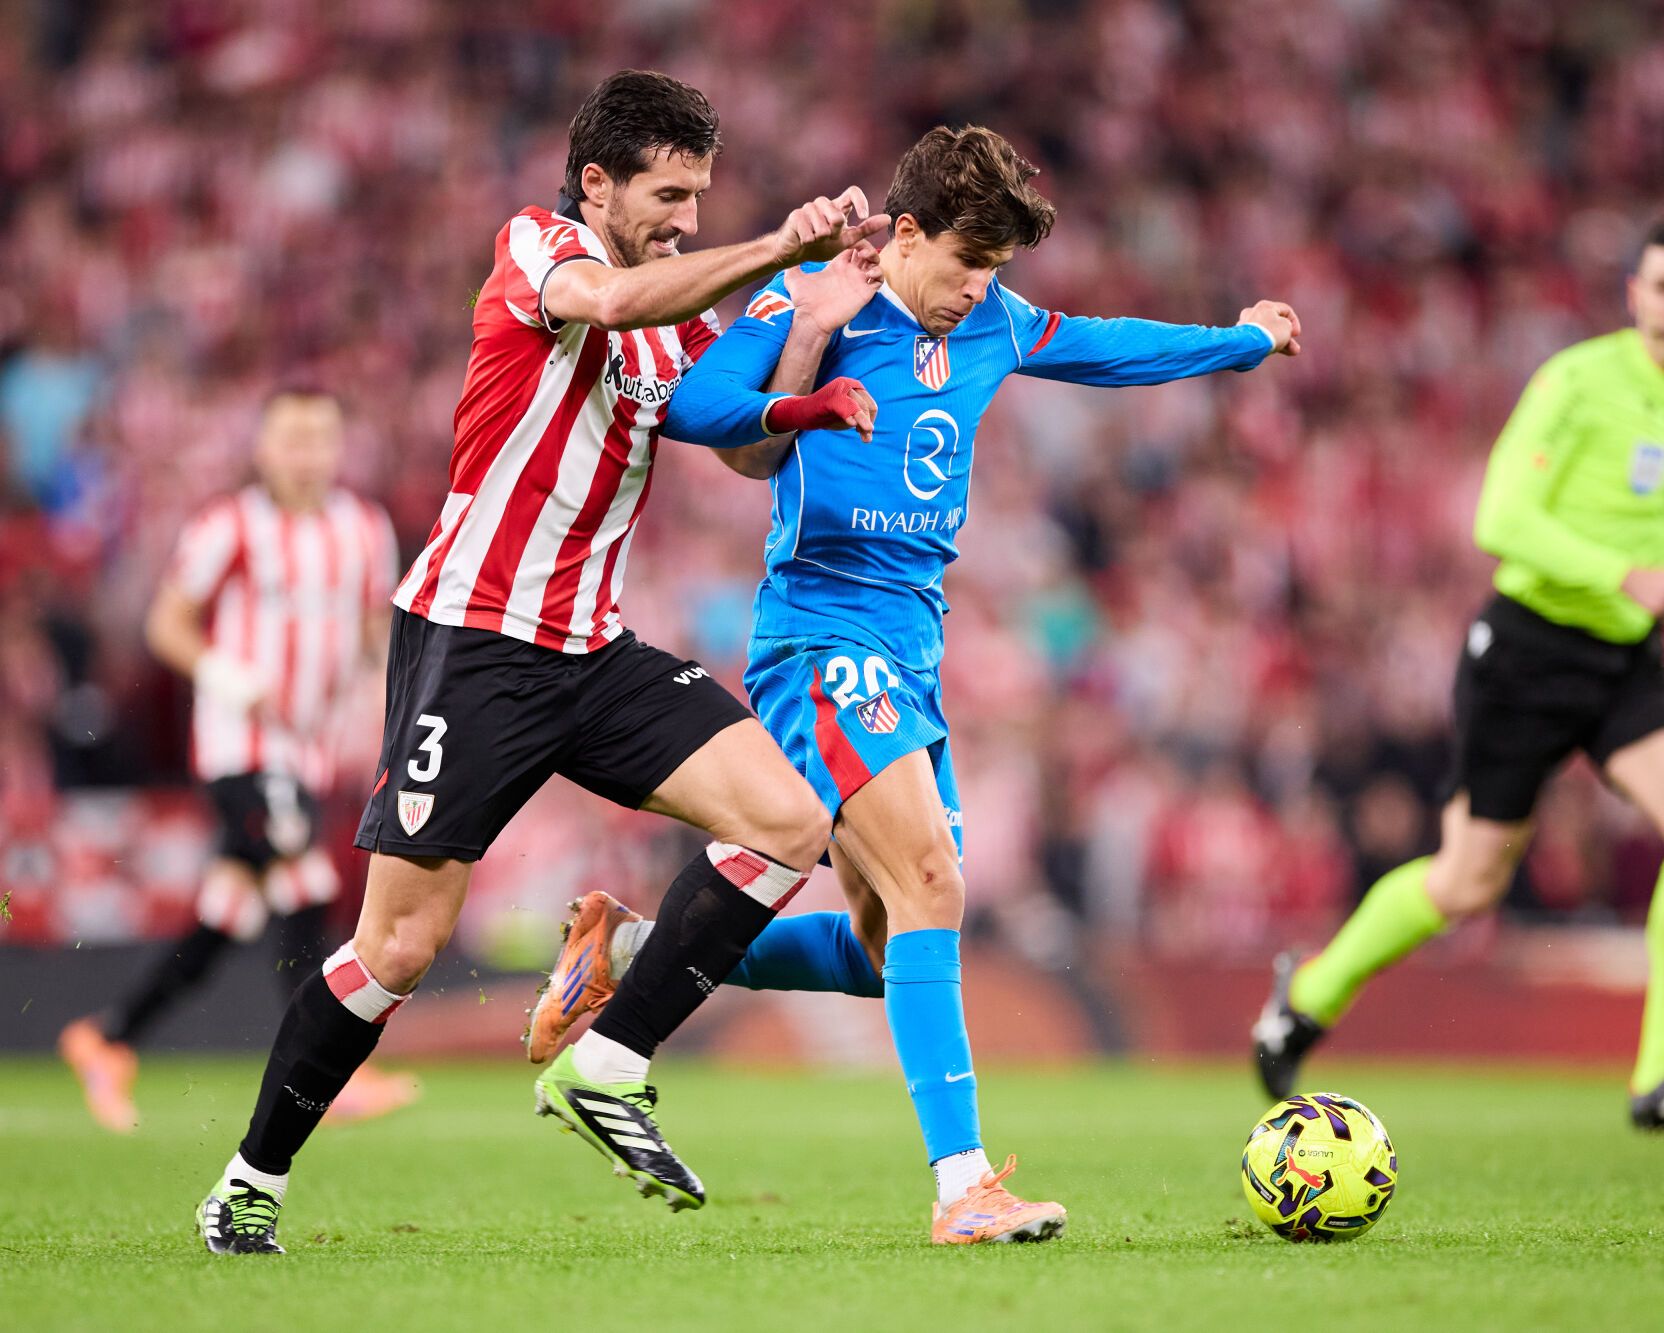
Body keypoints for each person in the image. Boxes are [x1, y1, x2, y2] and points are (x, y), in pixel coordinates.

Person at [526, 124, 1302, 1244]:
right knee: (933, 883)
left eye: (994, 272)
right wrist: (806, 351)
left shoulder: (988, 318)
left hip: (913, 648)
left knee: (885, 943)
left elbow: (1101, 347)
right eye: (963, 264)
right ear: (901, 235)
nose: (976, 293)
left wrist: (1234, 343)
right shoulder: (813, 293)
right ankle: (962, 1187)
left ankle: (630, 952)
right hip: (818, 634)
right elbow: (694, 410)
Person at [196, 68, 890, 1256]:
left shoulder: (678, 313)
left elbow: (736, 457)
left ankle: (609, 1061)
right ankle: (250, 1178)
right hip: (472, 643)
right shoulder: (539, 246)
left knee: (788, 822)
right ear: (596, 182)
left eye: (700, 196)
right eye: (669, 194)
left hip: (592, 648)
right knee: (400, 947)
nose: (684, 215)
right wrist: (773, 246)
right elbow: (605, 307)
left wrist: (809, 347)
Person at [1252, 211, 1664, 1133]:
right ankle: (1308, 995)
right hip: (1526, 652)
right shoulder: (1577, 382)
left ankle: (1663, 1077)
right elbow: (1500, 518)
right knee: (1465, 883)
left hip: (1627, 663)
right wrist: (1621, 574)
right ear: (1634, 296)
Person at [59, 388, 416, 1134]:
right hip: (239, 746)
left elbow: (370, 629)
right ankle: (329, 1065)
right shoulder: (229, 525)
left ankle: (109, 1036)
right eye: (290, 437)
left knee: (230, 910)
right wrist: (229, 677)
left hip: (306, 747)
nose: (305, 452)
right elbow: (167, 623)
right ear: (262, 447)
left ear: (338, 446)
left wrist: (396, 705)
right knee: (305, 882)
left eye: (320, 436)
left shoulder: (363, 528)